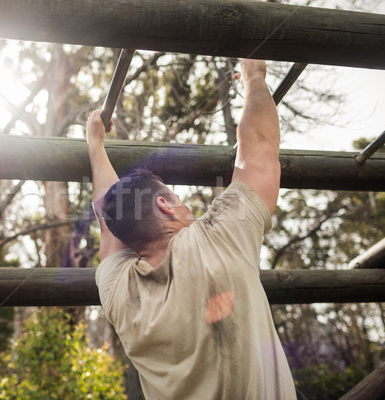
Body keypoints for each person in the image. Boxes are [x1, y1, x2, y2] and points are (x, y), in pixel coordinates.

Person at [86, 59, 296, 399]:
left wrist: (94, 145)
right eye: (176, 197)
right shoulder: (218, 236)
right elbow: (258, 146)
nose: (185, 205)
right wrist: (255, 76)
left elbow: (108, 225)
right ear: (165, 206)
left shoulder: (120, 293)